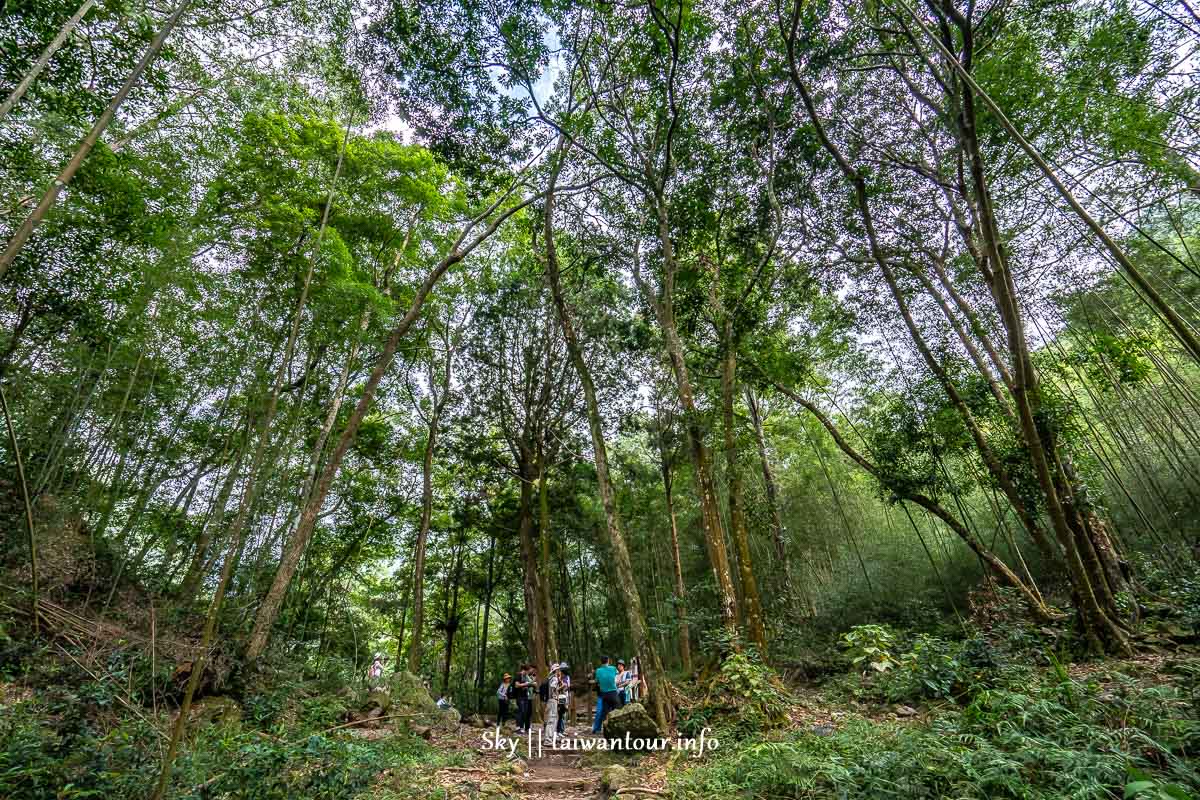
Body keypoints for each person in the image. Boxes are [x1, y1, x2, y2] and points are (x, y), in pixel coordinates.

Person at [592, 655, 619, 734]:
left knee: (605, 712)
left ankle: (605, 729)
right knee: (617, 710)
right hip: (613, 692)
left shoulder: (598, 671)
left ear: (601, 662)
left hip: (604, 694)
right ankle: (615, 728)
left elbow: (596, 681)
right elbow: (617, 677)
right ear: (608, 661)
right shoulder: (613, 668)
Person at [543, 663, 562, 739]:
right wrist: (555, 695)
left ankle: (551, 736)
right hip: (552, 700)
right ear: (556, 670)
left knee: (553, 718)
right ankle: (548, 738)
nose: (560, 671)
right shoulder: (554, 678)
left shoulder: (550, 678)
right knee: (552, 718)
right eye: (559, 670)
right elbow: (552, 687)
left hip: (550, 700)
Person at [514, 665, 533, 733]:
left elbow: (524, 686)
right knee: (521, 711)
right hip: (519, 697)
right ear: (524, 670)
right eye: (528, 671)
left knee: (525, 712)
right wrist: (525, 684)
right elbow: (516, 685)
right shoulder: (518, 675)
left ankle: (522, 727)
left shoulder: (525, 677)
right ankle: (518, 727)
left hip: (525, 696)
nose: (528, 673)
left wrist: (528, 685)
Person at [557, 664, 571, 735]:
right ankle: (559, 730)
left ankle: (561, 730)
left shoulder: (566, 678)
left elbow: (566, 688)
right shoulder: (559, 678)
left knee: (562, 713)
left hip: (564, 697)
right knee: (560, 713)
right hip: (561, 697)